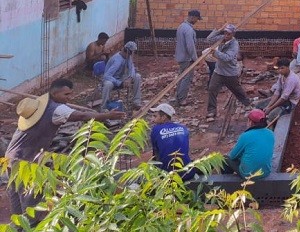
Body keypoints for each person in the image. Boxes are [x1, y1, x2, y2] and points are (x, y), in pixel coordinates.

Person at [5, 78, 124, 217]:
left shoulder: (36, 109)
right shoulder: (56, 109)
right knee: (31, 201)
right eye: (66, 95)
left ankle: (19, 228)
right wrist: (106, 115)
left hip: (10, 158)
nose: (69, 98)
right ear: (54, 94)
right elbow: (82, 115)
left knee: (16, 200)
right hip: (26, 162)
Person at [206, 24, 251, 122]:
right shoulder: (222, 38)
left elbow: (227, 58)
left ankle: (247, 103)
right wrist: (218, 30)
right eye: (225, 32)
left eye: (228, 33)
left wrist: (215, 52)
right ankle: (211, 111)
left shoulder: (234, 44)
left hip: (229, 73)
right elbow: (208, 39)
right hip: (218, 71)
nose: (226, 35)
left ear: (233, 34)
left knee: (236, 89)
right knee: (212, 89)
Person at [222, 109, 274, 180]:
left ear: (251, 122)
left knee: (225, 158)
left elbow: (232, 156)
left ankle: (227, 183)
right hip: (265, 172)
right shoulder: (270, 133)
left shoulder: (245, 136)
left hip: (249, 175)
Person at [256, 58, 300, 127]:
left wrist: (270, 108)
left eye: (282, 68)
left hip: (290, 102)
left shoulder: (291, 80)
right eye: (278, 68)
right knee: (259, 105)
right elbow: (277, 92)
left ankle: (269, 129)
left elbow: (284, 98)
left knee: (270, 116)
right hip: (282, 98)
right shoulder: (282, 76)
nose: (280, 70)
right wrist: (268, 106)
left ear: (288, 67)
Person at [149, 103, 191, 174]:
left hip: (166, 175)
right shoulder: (183, 128)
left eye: (155, 116)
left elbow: (155, 156)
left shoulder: (156, 129)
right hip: (187, 173)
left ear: (164, 117)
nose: (153, 120)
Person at [102, 41, 142, 110]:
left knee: (137, 76)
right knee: (108, 84)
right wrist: (120, 83)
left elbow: (131, 68)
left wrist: (130, 78)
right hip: (112, 80)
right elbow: (106, 76)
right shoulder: (117, 60)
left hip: (120, 78)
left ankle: (136, 102)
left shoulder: (127, 57)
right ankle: (104, 108)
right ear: (127, 51)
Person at [175, 9, 201, 106]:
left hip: (180, 57)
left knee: (181, 77)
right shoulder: (189, 30)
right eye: (197, 19)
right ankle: (182, 99)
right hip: (186, 58)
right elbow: (190, 46)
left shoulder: (181, 26)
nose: (196, 21)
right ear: (193, 17)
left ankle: (178, 97)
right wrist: (195, 59)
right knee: (186, 78)